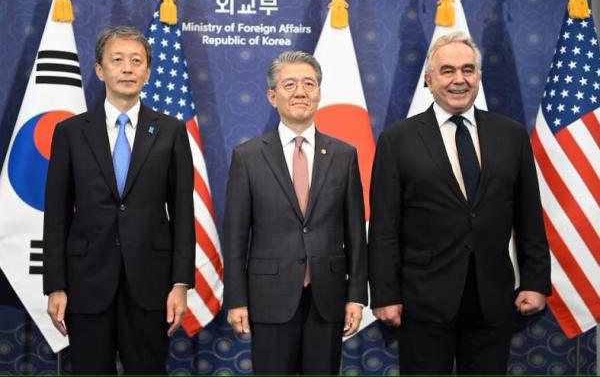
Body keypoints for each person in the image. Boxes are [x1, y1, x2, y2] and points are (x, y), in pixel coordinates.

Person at [368, 31, 551, 374]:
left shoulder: (510, 135)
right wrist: (384, 294)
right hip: (421, 302)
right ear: (428, 79)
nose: (459, 80)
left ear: (478, 76)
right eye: (447, 70)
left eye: (468, 70)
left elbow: (529, 217)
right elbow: (383, 228)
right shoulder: (397, 140)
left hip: (492, 298)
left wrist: (535, 281)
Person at [43, 25, 195, 374]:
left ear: (147, 71)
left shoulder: (171, 130)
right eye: (117, 60)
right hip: (86, 281)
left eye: (136, 60)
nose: (127, 68)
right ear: (100, 70)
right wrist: (56, 284)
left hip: (151, 284)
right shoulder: (70, 132)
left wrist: (180, 283)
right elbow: (56, 214)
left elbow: (184, 213)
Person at [223, 50, 368, 374]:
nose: (300, 92)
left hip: (327, 297)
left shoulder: (344, 155)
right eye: (289, 84)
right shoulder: (248, 156)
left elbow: (356, 232)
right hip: (268, 297)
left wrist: (356, 296)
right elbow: (234, 236)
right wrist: (236, 298)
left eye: (309, 83)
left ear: (319, 92)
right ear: (272, 96)